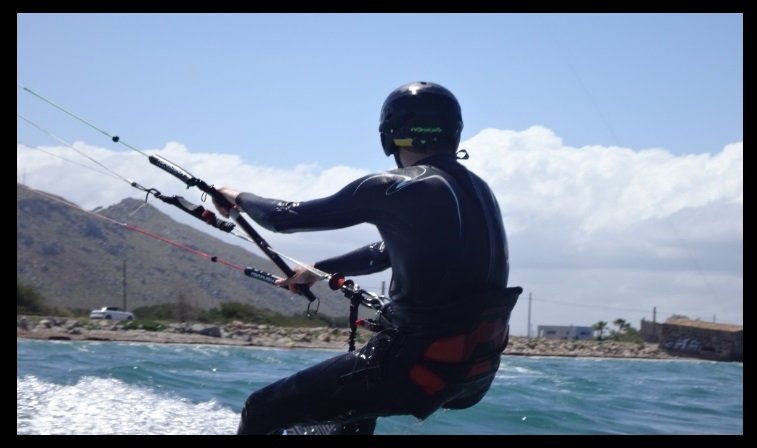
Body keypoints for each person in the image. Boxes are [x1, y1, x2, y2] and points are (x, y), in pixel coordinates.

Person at [213, 81, 521, 435]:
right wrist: (319, 270)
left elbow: (285, 218)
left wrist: (234, 195)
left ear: (389, 135)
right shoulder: (480, 190)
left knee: (261, 409)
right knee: (353, 405)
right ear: (454, 133)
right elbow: (388, 252)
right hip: (472, 373)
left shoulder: (397, 185)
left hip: (416, 367)